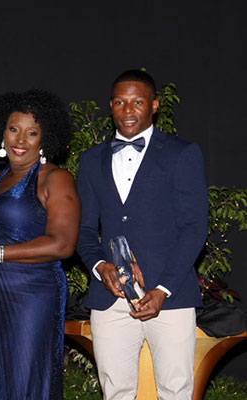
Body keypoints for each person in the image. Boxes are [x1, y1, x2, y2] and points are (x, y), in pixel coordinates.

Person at [76, 69, 208, 399]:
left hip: (170, 297)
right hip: (111, 300)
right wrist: (101, 267)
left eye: (138, 102)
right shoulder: (92, 160)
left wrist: (163, 288)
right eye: (120, 102)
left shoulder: (182, 153)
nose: (128, 110)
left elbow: (194, 227)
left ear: (154, 106)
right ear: (111, 106)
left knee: (175, 391)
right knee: (115, 391)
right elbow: (84, 229)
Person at [0, 89, 80, 399]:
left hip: (30, 298)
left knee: (24, 383)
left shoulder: (55, 179)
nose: (21, 140)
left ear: (44, 138)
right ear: (1, 134)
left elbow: (63, 244)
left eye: (32, 133)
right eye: (13, 129)